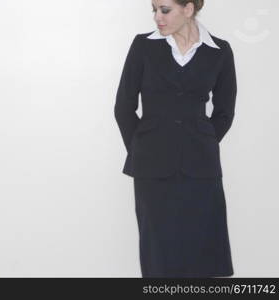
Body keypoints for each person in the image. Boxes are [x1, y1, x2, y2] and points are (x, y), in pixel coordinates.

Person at [114, 0, 237, 277]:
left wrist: (199, 145)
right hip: (152, 169)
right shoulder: (143, 46)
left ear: (189, 9)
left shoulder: (219, 51)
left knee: (203, 250)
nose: (157, 17)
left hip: (201, 169)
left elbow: (225, 113)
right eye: (154, 9)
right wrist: (142, 149)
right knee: (158, 255)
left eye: (165, 10)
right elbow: (123, 107)